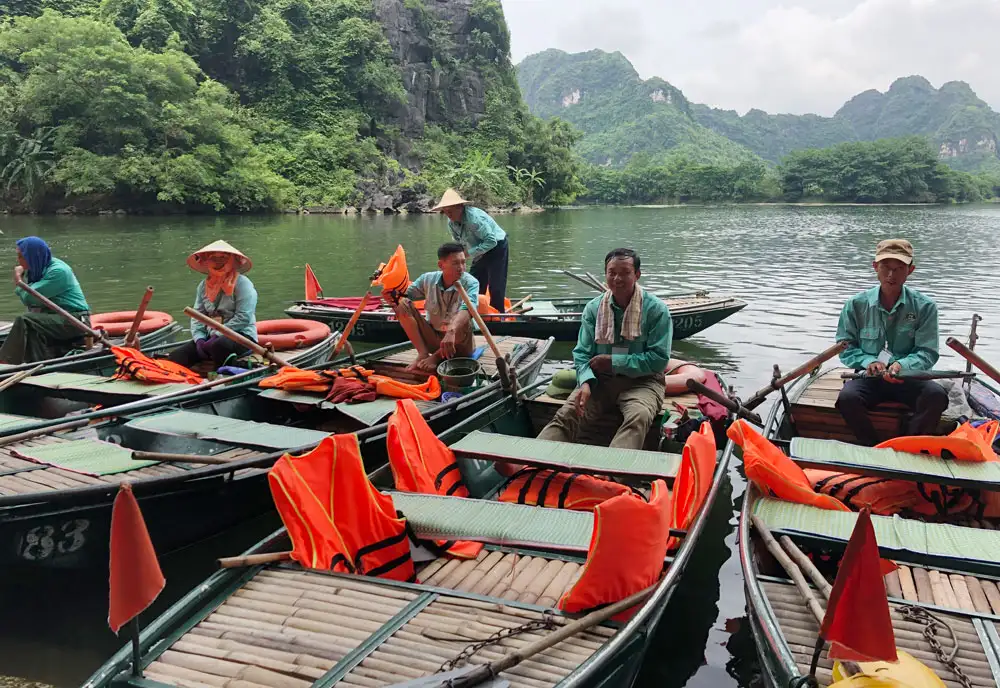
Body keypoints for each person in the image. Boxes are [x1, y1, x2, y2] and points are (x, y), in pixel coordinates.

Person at [537, 248, 673, 450]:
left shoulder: (656, 310)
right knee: (569, 413)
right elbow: (582, 353)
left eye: (625, 272)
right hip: (599, 380)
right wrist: (584, 382)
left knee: (639, 416)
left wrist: (614, 362)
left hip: (643, 381)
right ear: (606, 274)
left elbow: (659, 359)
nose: (617, 278)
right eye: (612, 273)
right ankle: (531, 460)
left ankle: (611, 474)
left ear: (637, 275)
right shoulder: (593, 309)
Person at [835, 239, 948, 446]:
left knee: (936, 395)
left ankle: (909, 445)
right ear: (875, 267)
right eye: (885, 267)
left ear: (910, 270)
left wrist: (901, 365)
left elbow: (927, 352)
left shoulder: (925, 307)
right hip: (870, 378)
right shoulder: (855, 305)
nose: (891, 275)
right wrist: (869, 361)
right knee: (847, 399)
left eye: (899, 269)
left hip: (909, 377)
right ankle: (872, 447)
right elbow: (845, 347)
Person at [384, 242, 478, 373]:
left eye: (463, 262)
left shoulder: (471, 283)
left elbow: (468, 309)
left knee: (464, 319)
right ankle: (422, 354)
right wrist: (392, 296)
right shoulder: (427, 279)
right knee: (401, 304)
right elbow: (404, 295)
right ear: (441, 265)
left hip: (460, 344)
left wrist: (451, 331)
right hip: (434, 339)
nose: (461, 268)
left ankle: (435, 358)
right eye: (456, 263)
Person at [0, 236, 91, 364]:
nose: (18, 260)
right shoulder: (38, 268)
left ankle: (5, 362)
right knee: (30, 326)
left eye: (21, 256)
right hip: (54, 317)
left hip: (75, 321)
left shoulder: (58, 271)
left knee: (25, 320)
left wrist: (18, 280)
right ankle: (38, 362)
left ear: (32, 256)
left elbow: (29, 297)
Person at [168, 240, 258, 369]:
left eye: (223, 258)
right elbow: (197, 316)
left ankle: (226, 373)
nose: (218, 261)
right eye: (213, 258)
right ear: (207, 261)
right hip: (210, 337)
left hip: (241, 336)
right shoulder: (203, 286)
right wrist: (199, 339)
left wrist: (217, 335)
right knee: (178, 356)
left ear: (233, 261)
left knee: (219, 345)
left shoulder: (243, 284)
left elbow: (243, 317)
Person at [432, 188, 509, 313]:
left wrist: (469, 253)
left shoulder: (474, 219)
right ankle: (474, 311)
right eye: (445, 212)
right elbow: (459, 244)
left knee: (496, 284)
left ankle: (497, 315)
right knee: (473, 281)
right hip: (477, 248)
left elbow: (491, 241)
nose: (448, 215)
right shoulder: (451, 223)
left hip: (497, 246)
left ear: (460, 207)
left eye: (450, 211)